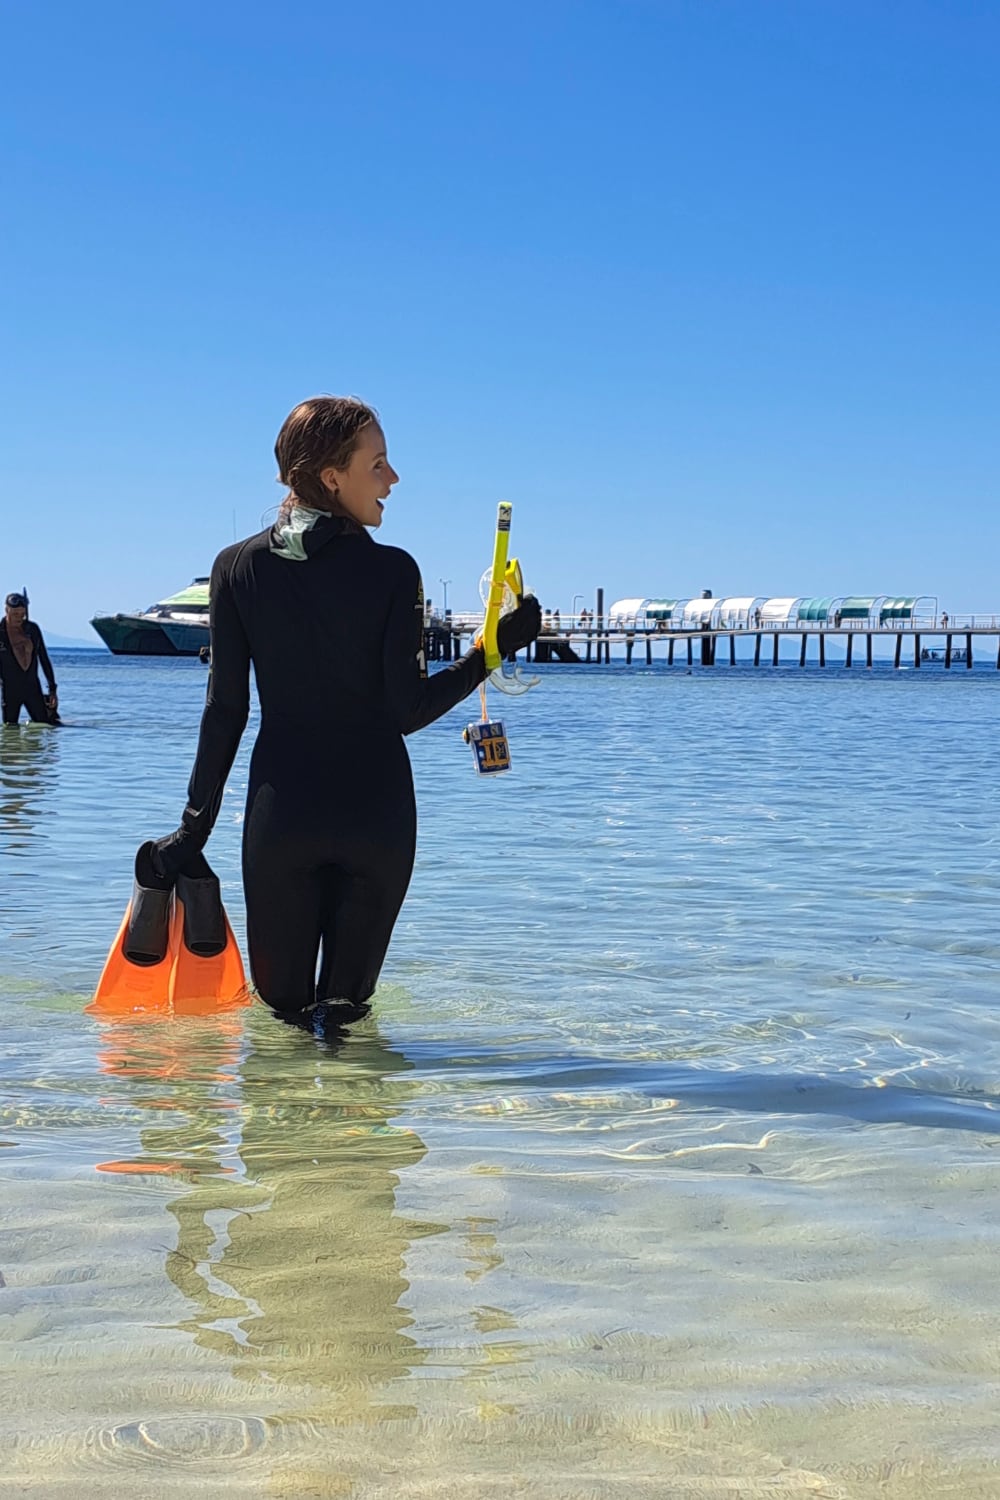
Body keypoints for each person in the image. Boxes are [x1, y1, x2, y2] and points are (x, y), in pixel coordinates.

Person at [147, 396, 540, 1029]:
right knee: (345, 1024)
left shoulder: (236, 568)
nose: (393, 479)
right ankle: (351, 1126)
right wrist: (492, 651)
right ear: (332, 477)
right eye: (378, 463)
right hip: (376, 818)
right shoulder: (393, 571)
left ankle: (289, 1127)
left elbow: (226, 710)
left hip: (283, 818)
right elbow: (406, 710)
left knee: (283, 1022)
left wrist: (192, 830)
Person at [0, 592, 59, 726]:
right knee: (10, 729)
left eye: (22, 614)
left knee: (45, 726)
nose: (19, 618)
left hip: (32, 687)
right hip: (10, 690)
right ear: (6, 610)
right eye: (15, 614)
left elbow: (44, 659)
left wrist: (52, 690)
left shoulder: (32, 629)